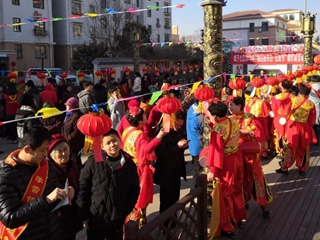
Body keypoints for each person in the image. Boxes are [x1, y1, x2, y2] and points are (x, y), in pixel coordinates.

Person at [0, 126, 74, 240]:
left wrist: (65, 193)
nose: (46, 154)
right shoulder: (6, 177)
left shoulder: (46, 165)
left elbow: (54, 191)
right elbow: (9, 218)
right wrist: (46, 200)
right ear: (27, 149)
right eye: (42, 150)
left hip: (52, 232)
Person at [77, 129, 140, 240]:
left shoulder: (129, 164)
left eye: (114, 141)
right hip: (96, 216)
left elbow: (134, 189)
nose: (112, 145)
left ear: (119, 140)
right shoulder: (93, 162)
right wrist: (84, 215)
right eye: (108, 143)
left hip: (117, 216)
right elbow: (83, 188)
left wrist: (126, 210)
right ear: (102, 146)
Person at [122, 106, 167, 228]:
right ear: (139, 120)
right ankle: (139, 226)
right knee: (141, 199)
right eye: (144, 115)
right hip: (139, 169)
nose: (146, 116)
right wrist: (160, 136)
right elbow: (147, 149)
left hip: (129, 167)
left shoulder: (128, 130)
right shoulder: (139, 134)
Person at [229, 97, 271, 219]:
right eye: (229, 105)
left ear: (240, 106)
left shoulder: (250, 118)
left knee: (256, 178)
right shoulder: (229, 120)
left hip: (251, 155)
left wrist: (247, 132)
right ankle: (243, 201)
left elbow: (259, 136)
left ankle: (264, 204)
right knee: (239, 179)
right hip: (236, 155)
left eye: (232, 105)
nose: (230, 108)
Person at [206, 101, 243, 239]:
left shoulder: (218, 131)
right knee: (235, 190)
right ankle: (238, 218)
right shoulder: (232, 120)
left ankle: (228, 225)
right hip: (236, 158)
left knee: (223, 194)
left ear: (215, 115)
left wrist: (212, 171)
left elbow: (216, 151)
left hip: (225, 163)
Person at [276, 84, 317, 176]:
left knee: (289, 146)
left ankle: (285, 166)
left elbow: (284, 111)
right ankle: (302, 167)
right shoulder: (311, 104)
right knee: (303, 147)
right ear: (308, 93)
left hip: (292, 125)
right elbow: (312, 120)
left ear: (299, 91)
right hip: (304, 126)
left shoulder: (292, 99)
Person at [48, 134, 83, 240]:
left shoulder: (71, 164)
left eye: (66, 149)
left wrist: (74, 190)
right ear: (51, 154)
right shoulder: (47, 170)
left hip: (72, 210)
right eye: (59, 151)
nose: (64, 153)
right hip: (57, 215)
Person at [154, 111, 188, 221]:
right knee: (166, 199)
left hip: (176, 169)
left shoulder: (177, 131)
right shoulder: (162, 132)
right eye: (177, 124)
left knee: (175, 197)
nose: (179, 127)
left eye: (181, 125)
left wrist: (183, 145)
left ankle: (173, 220)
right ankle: (165, 223)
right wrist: (177, 147)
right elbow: (160, 153)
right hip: (166, 171)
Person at [62, 97, 85, 173]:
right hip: (68, 142)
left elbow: (77, 131)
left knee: (76, 161)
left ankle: (78, 175)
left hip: (74, 143)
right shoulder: (68, 115)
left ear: (72, 106)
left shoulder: (77, 116)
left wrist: (68, 138)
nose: (66, 107)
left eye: (68, 105)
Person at [186, 97, 204, 182]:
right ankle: (196, 192)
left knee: (196, 169)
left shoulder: (192, 108)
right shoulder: (200, 117)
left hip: (193, 145)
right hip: (199, 148)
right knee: (200, 173)